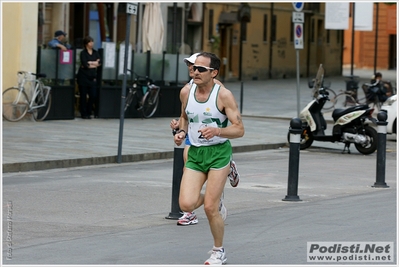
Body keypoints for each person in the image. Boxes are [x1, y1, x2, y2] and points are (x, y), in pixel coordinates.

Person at [174, 52, 244, 264]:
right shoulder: (186, 92)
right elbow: (185, 117)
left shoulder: (223, 96)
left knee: (209, 208)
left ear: (213, 73)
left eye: (201, 69)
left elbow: (239, 129)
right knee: (186, 204)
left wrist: (217, 131)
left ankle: (218, 251)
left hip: (218, 152)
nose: (195, 72)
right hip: (196, 152)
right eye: (194, 68)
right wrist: (181, 133)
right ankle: (215, 194)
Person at [76, 36, 101, 119]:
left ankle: (89, 111)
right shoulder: (83, 53)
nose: (91, 43)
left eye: (92, 42)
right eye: (90, 42)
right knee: (83, 95)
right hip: (83, 77)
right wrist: (94, 63)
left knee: (93, 95)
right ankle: (84, 113)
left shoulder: (95, 52)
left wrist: (90, 63)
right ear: (86, 44)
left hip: (92, 77)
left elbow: (99, 63)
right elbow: (85, 65)